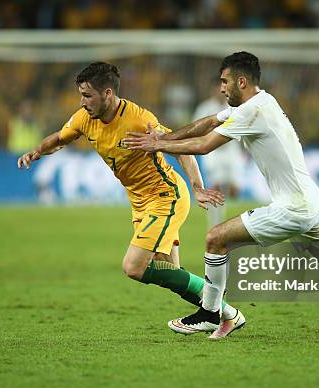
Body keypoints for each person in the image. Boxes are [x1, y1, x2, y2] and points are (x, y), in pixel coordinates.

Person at [124, 52, 319, 339]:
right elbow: (208, 122)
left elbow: (203, 145)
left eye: (225, 81)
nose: (221, 87)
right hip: (310, 201)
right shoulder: (258, 103)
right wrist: (163, 138)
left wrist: (157, 146)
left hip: (294, 207)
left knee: (216, 238)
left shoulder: (254, 111)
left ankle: (211, 313)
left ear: (242, 81)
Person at [17, 61, 244, 328]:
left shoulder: (139, 119)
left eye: (87, 95)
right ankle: (226, 313)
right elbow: (59, 138)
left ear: (108, 94)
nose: (82, 102)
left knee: (134, 267)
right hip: (139, 203)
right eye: (81, 94)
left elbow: (178, 148)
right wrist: (37, 151)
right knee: (166, 271)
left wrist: (196, 187)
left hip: (165, 196)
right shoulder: (83, 119)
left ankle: (218, 305)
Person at [193, 78, 243, 228]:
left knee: (234, 191)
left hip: (232, 151)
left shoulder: (236, 106)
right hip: (213, 152)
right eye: (217, 87)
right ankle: (215, 225)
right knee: (216, 188)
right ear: (212, 90)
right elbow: (197, 129)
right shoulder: (204, 108)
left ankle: (223, 222)